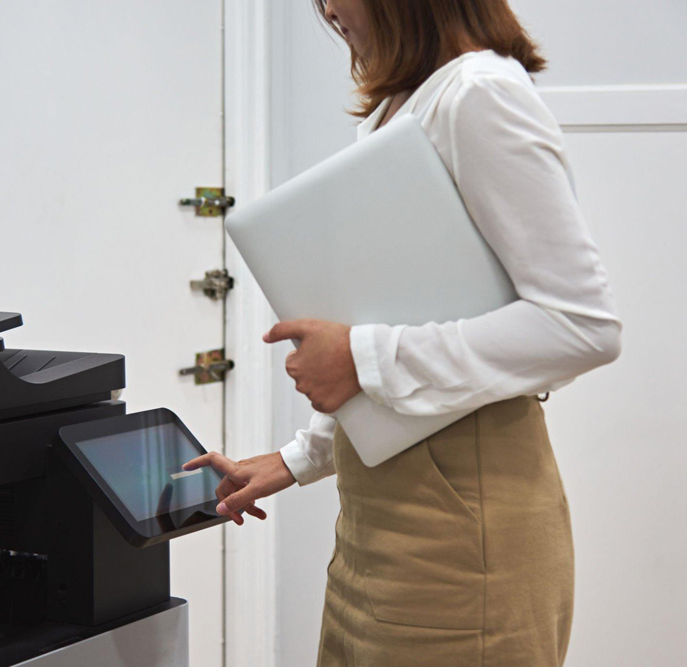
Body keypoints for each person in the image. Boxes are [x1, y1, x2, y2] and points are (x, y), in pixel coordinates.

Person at [184, 0, 623, 664]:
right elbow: (407, 311)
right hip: (375, 525)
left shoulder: (479, 93)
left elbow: (583, 324)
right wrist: (295, 459)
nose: (328, 9)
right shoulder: (403, 110)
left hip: (461, 534)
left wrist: (360, 356)